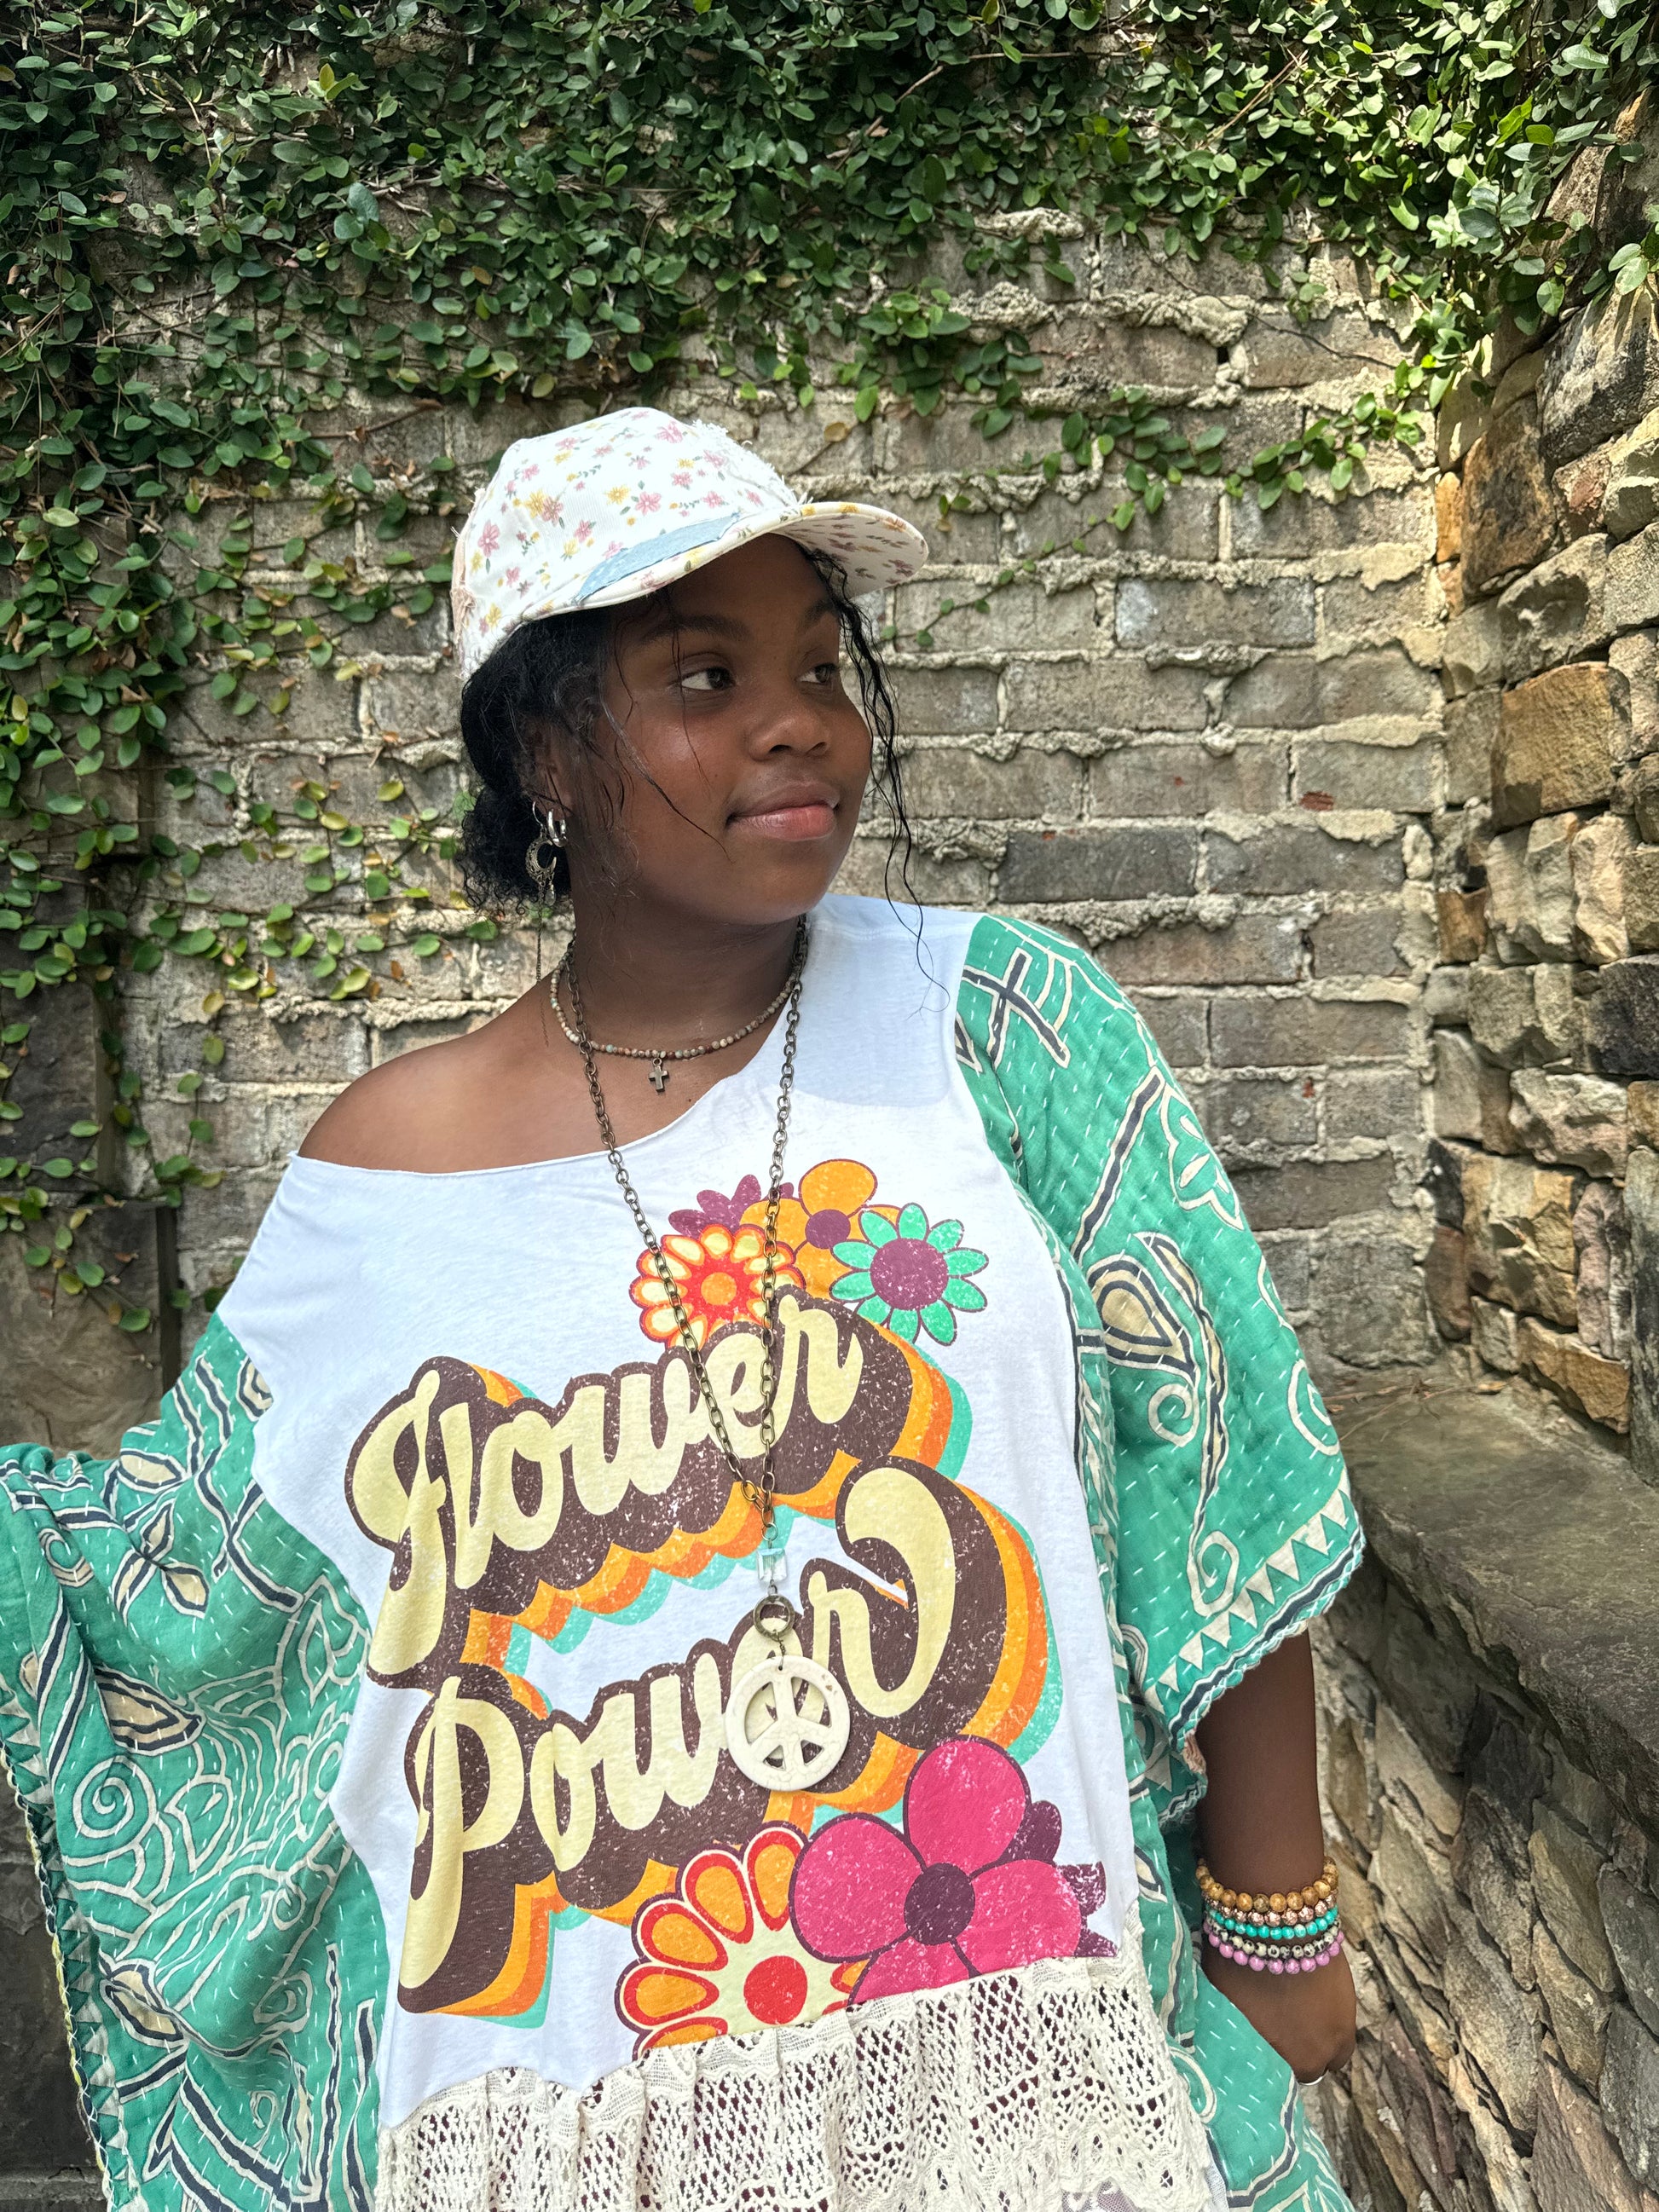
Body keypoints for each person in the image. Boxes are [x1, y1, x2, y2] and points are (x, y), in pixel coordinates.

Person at [0, 407, 1360, 2212]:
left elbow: (1215, 1459)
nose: (800, 722)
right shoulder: (384, 1176)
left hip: (1046, 2083)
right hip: (592, 2120)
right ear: (545, 753)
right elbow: (179, 1583)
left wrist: (1274, 1915)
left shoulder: (1000, 1033)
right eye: (705, 676)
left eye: (819, 666)